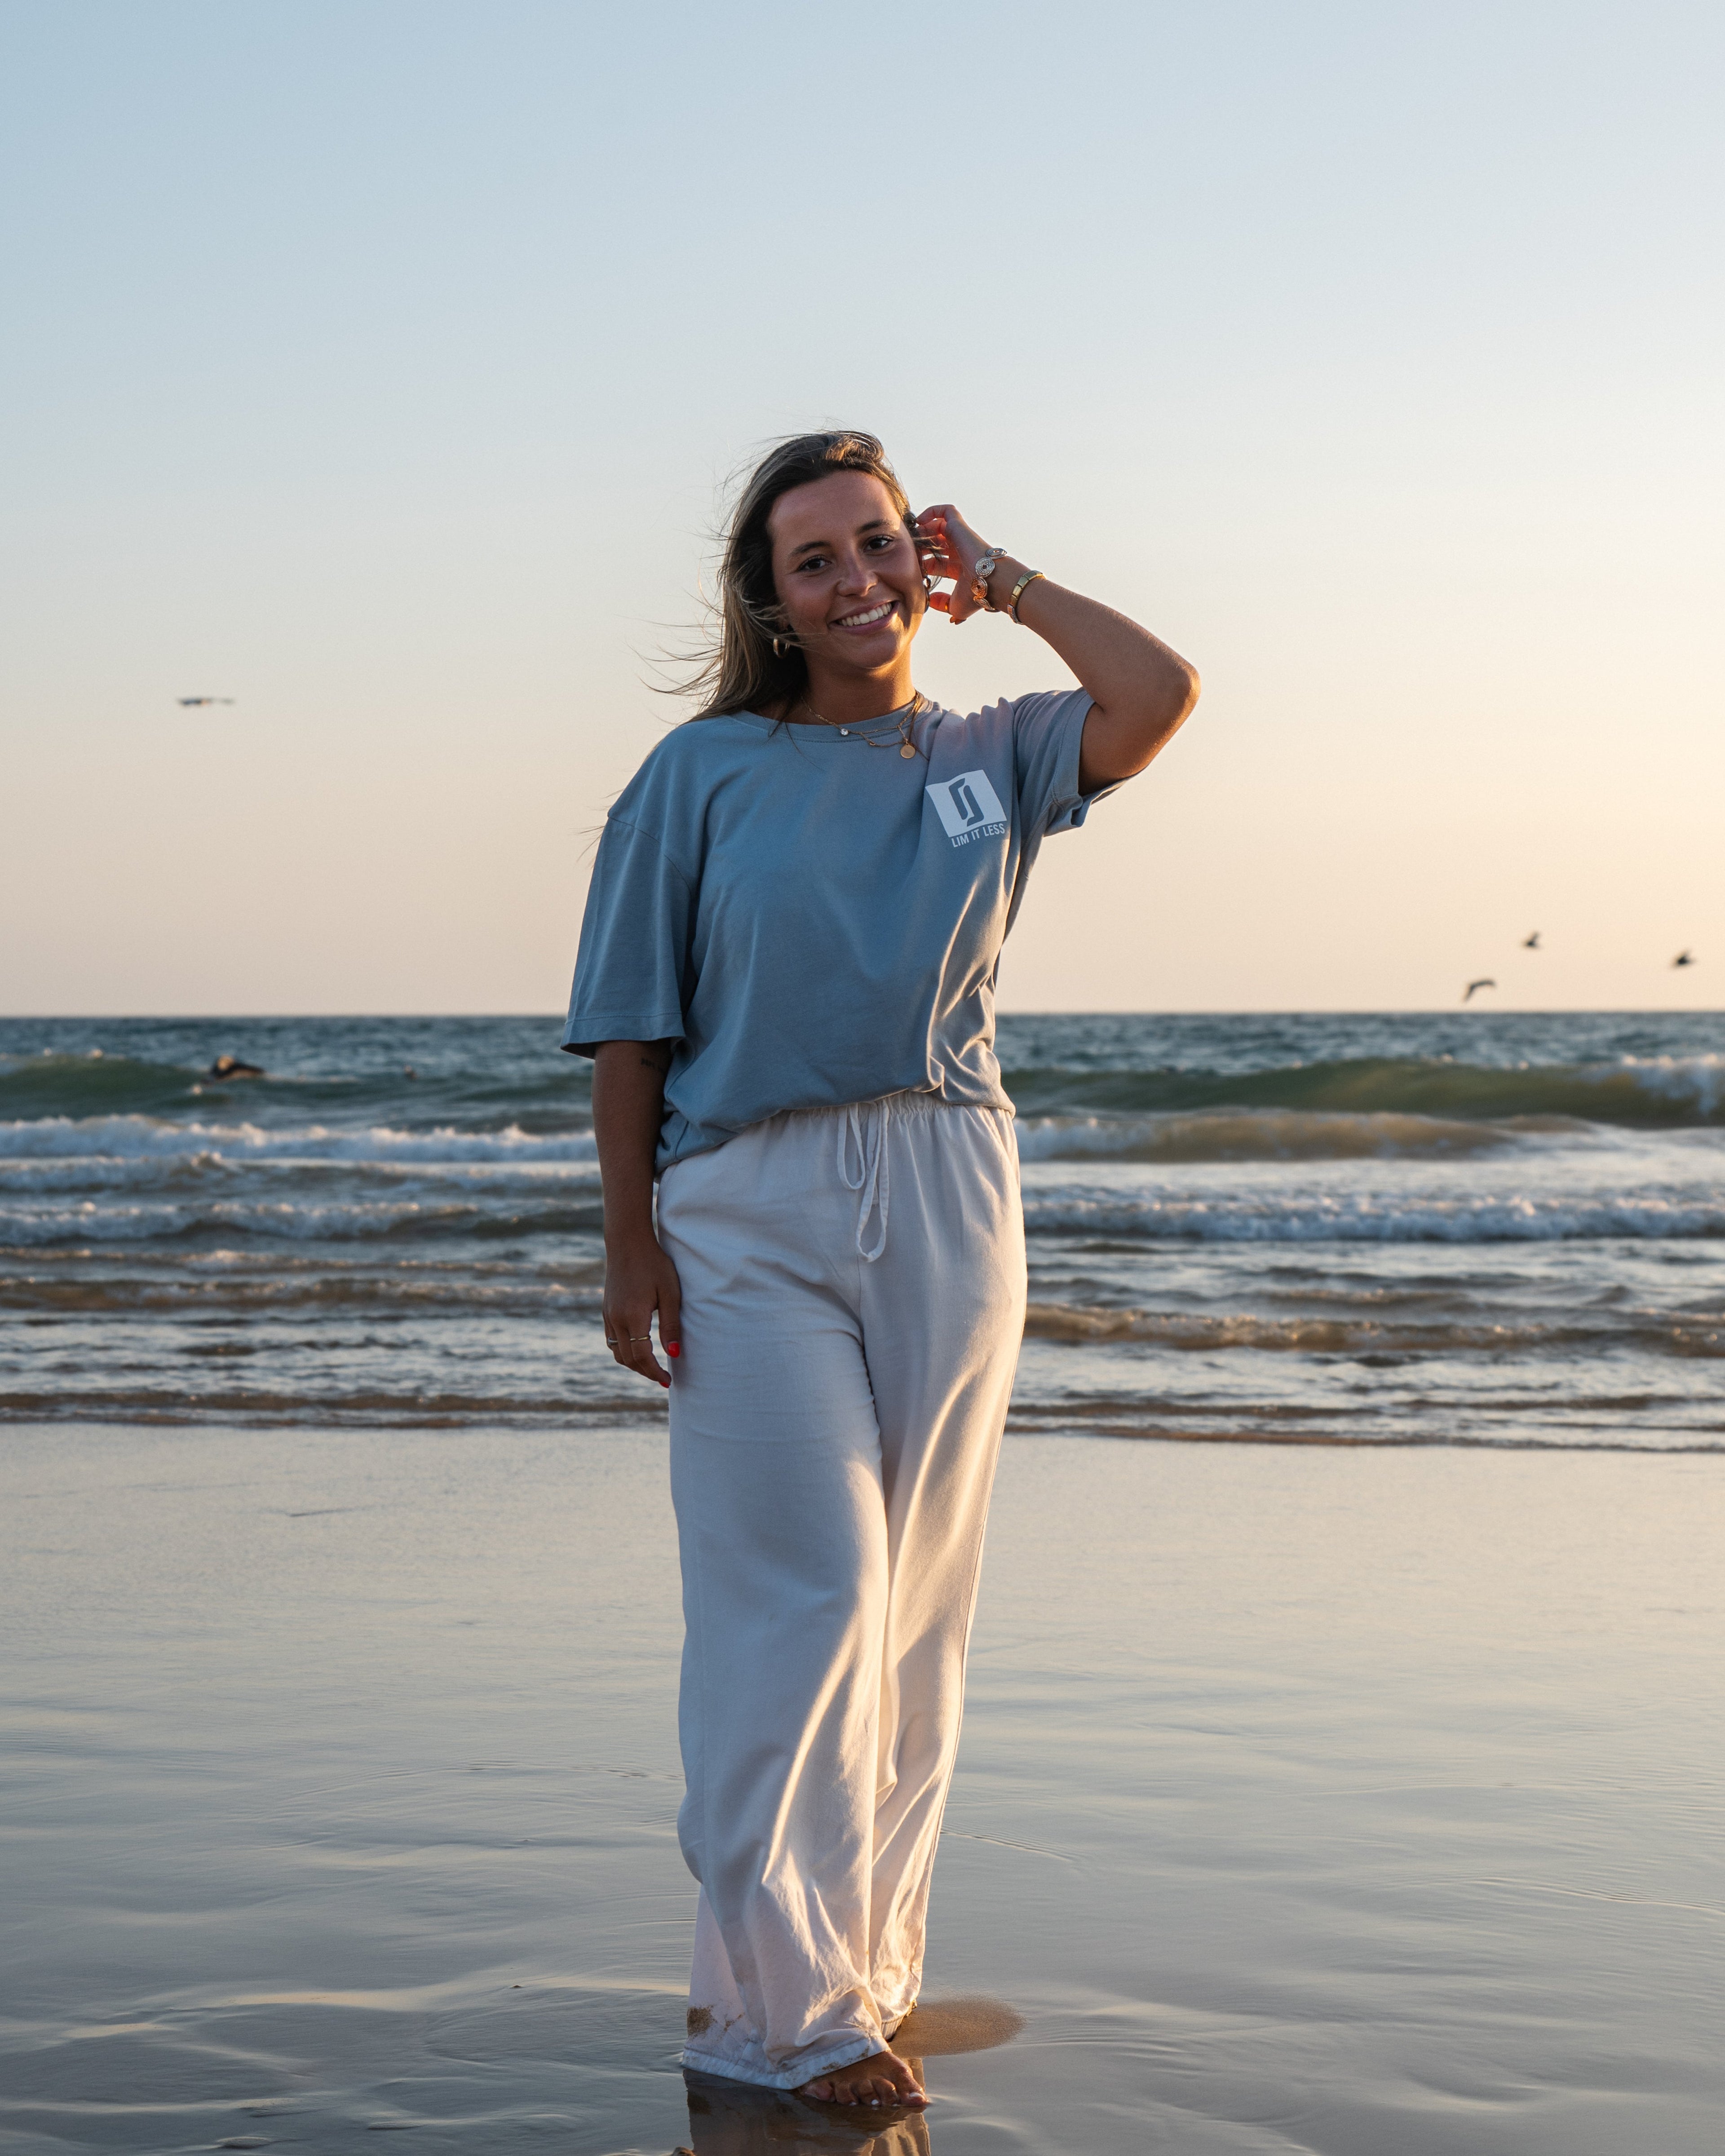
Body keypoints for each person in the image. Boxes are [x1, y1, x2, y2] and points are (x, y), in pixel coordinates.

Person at [562, 432, 1198, 2111]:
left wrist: (1010, 578)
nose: (854, 585)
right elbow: (630, 1026)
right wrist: (629, 1238)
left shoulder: (995, 751)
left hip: (951, 1183)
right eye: (814, 564)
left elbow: (1164, 692)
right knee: (811, 1603)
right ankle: (789, 2013)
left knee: (916, 1620)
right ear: (771, 603)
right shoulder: (698, 773)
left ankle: (858, 1983)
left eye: (873, 547)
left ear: (917, 557)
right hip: (743, 1202)